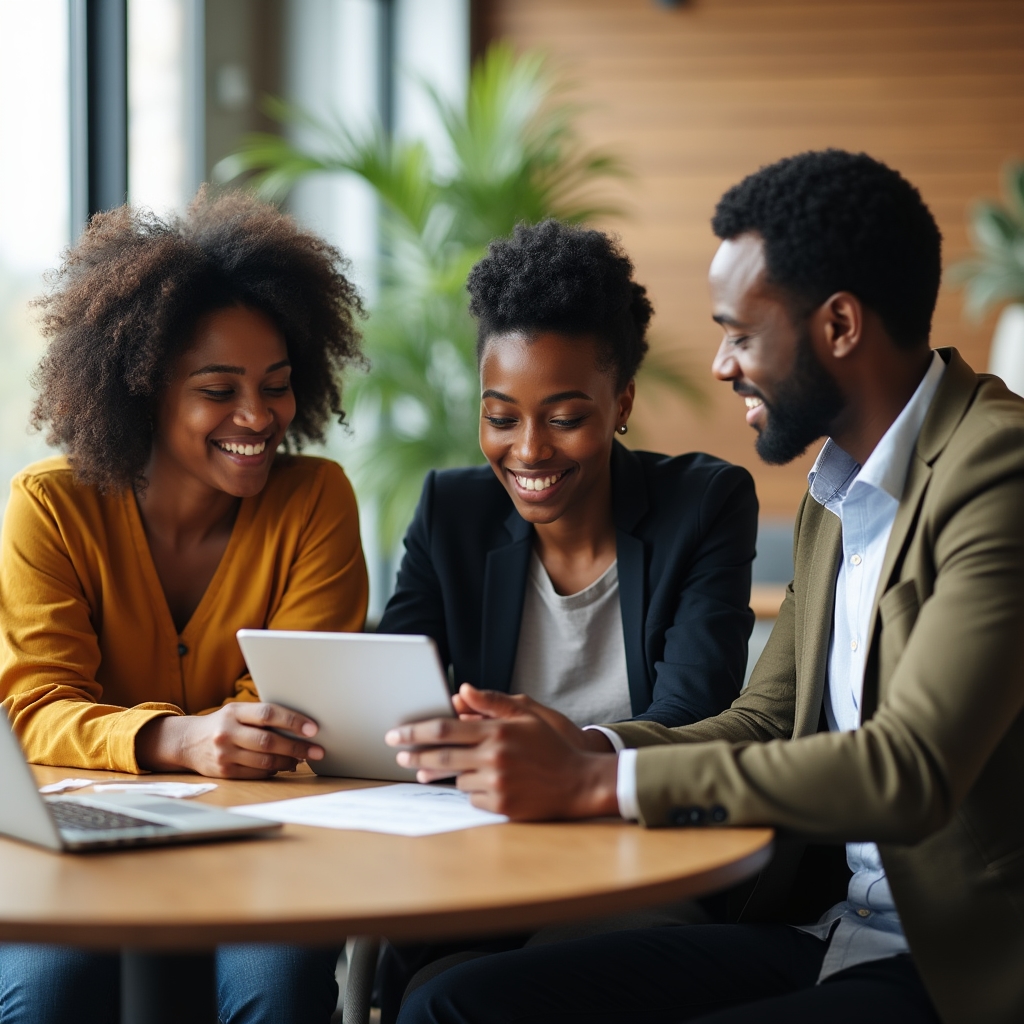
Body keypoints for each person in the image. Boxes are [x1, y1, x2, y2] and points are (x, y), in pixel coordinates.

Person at [388, 150, 1024, 1023]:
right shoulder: (838, 493)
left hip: (954, 965)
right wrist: (591, 752)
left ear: (838, 326)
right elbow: (763, 720)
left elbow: (908, 770)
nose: (722, 365)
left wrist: (594, 788)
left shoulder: (1000, 470)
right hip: (834, 932)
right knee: (451, 1008)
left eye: (740, 333)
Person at [0, 189, 368, 1024]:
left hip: (268, 833)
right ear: (142, 389)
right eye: (219, 389)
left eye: (276, 386)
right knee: (45, 996)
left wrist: (224, 740)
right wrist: (177, 737)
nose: (258, 417)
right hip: (78, 839)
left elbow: (294, 713)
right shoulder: (50, 506)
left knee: (277, 995)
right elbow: (31, 710)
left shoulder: (315, 501)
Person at [374, 220, 759, 1019]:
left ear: (620, 402)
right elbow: (390, 697)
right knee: (415, 988)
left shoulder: (704, 504)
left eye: (564, 415)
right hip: (478, 862)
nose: (528, 450)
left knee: (456, 1000)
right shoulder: (453, 510)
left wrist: (566, 753)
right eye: (502, 415)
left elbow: (695, 715)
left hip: (637, 862)